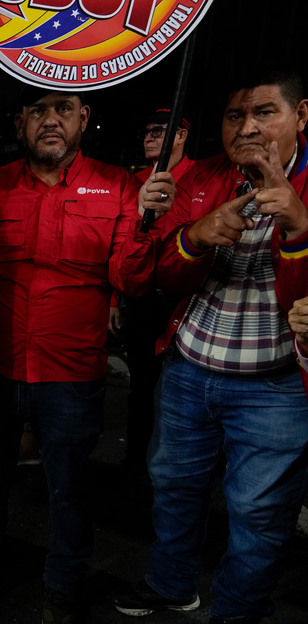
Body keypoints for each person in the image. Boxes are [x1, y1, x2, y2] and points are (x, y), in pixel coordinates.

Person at [0, 86, 175, 624]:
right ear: (22, 122)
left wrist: (151, 225)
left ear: (84, 118)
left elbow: (131, 279)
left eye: (63, 110)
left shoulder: (125, 187)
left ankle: (64, 585)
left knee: (70, 490)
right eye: (37, 111)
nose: (50, 121)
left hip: (72, 375)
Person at [113, 68, 308, 624]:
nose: (247, 128)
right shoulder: (196, 178)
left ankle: (236, 617)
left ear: (301, 116)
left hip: (279, 385)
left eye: (265, 113)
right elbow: (151, 277)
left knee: (257, 512)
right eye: (234, 117)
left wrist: (300, 230)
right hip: (191, 366)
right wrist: (193, 239)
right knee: (171, 482)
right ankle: (172, 584)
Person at [116, 108, 195, 482]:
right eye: (145, 131)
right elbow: (118, 247)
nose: (148, 137)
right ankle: (136, 462)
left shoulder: (202, 174)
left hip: (188, 299)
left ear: (181, 135)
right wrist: (116, 300)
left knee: (186, 389)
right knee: (142, 384)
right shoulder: (132, 181)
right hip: (143, 297)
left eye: (158, 130)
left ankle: (182, 470)